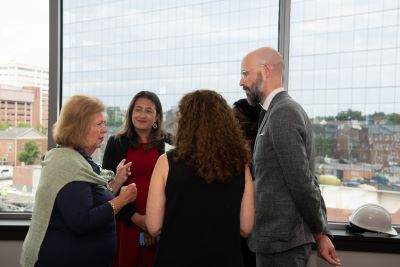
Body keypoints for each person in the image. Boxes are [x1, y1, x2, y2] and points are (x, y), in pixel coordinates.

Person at [239, 47, 341, 267]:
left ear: (266, 70)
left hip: (282, 243)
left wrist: (320, 232)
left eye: (245, 73)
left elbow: (302, 182)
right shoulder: (273, 112)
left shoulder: (283, 113)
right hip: (275, 241)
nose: (241, 81)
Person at [20, 95, 137, 267]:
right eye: (99, 124)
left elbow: (90, 202)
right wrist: (122, 200)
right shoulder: (67, 164)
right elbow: (82, 221)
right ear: (79, 127)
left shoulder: (79, 160)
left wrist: (117, 182)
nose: (105, 130)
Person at [146, 89, 254, 267]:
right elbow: (246, 227)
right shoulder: (241, 165)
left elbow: (153, 226)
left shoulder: (165, 162)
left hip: (175, 258)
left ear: (185, 122)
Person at [102, 91, 172, 267]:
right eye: (138, 109)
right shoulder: (115, 143)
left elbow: (174, 186)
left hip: (161, 223)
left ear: (157, 117)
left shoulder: (169, 143)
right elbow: (108, 189)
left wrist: (154, 224)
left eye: (149, 111)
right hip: (126, 222)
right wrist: (139, 220)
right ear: (130, 113)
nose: (142, 115)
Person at [232, 98, 261, 267]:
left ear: (252, 125)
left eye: (237, 119)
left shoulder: (260, 153)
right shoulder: (231, 151)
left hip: (255, 230)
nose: (232, 123)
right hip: (233, 230)